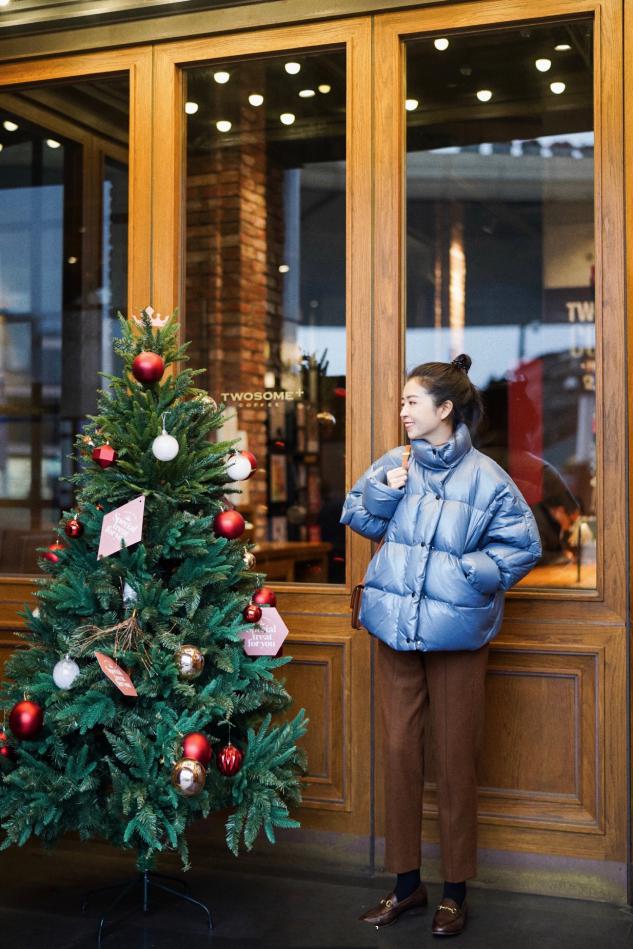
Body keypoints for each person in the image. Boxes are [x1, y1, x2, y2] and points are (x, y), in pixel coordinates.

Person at [339, 355, 541, 937]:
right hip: (394, 632)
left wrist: (468, 574)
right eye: (402, 402)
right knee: (400, 754)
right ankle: (406, 885)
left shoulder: (488, 477)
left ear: (444, 409)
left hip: (457, 639)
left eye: (412, 402)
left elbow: (521, 548)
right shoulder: (394, 463)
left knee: (454, 761)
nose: (402, 411)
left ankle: (456, 891)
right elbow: (357, 516)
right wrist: (382, 492)